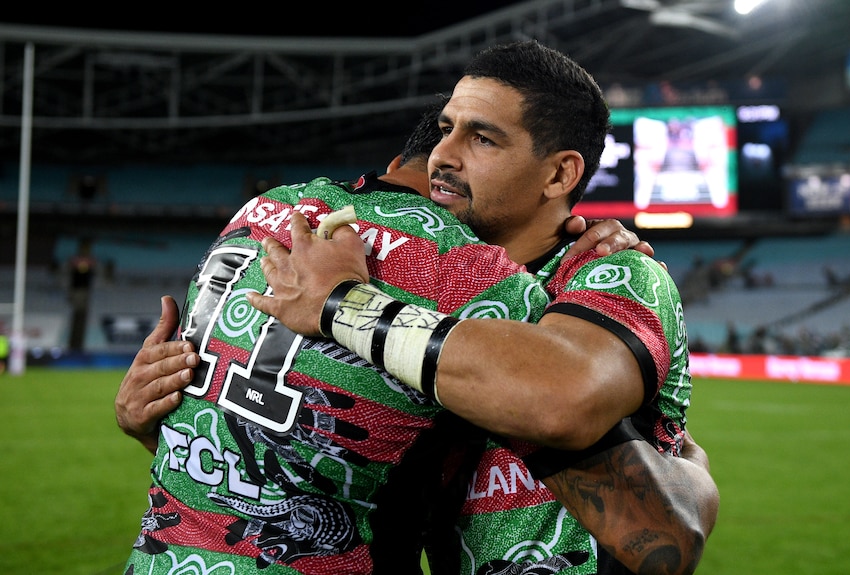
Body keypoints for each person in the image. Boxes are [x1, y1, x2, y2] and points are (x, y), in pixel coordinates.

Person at [120, 97, 673, 575]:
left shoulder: (262, 212)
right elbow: (658, 535)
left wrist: (145, 424)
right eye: (452, 134)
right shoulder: (472, 278)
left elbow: (233, 443)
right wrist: (682, 449)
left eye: (481, 138)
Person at [245, 40, 716, 574]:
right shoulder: (418, 292)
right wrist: (156, 417)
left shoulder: (616, 273)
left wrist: (344, 304)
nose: (444, 155)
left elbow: (660, 536)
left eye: (482, 138)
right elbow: (311, 478)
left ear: (560, 175)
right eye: (447, 129)